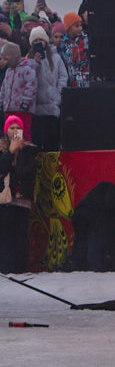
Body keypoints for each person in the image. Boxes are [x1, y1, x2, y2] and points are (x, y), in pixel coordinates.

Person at [0, 116, 37, 272]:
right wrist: (10, 151)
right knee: (6, 236)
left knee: (21, 236)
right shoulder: (2, 148)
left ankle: (20, 269)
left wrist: (12, 171)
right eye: (12, 128)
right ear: (6, 131)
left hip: (22, 198)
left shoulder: (29, 150)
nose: (15, 131)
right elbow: (2, 169)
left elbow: (29, 171)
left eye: (18, 128)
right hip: (5, 199)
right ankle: (6, 269)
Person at [28, 27, 66, 151]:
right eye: (35, 41)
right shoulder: (29, 59)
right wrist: (35, 63)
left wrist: (58, 94)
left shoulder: (56, 57)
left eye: (41, 40)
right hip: (36, 108)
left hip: (52, 106)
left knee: (52, 141)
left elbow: (63, 76)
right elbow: (27, 78)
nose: (39, 42)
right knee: (38, 143)